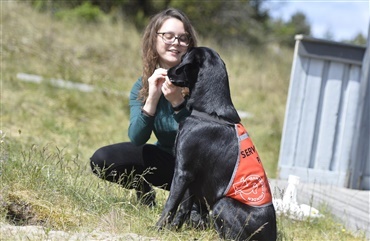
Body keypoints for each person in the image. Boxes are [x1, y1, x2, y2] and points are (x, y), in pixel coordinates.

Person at [90, 8, 198, 207]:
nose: (176, 42)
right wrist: (152, 99)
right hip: (167, 163)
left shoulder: (201, 82)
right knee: (102, 159)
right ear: (154, 39)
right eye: (168, 36)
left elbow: (202, 140)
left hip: (200, 171)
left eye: (183, 38)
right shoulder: (142, 86)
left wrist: (177, 103)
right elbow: (137, 138)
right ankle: (143, 190)